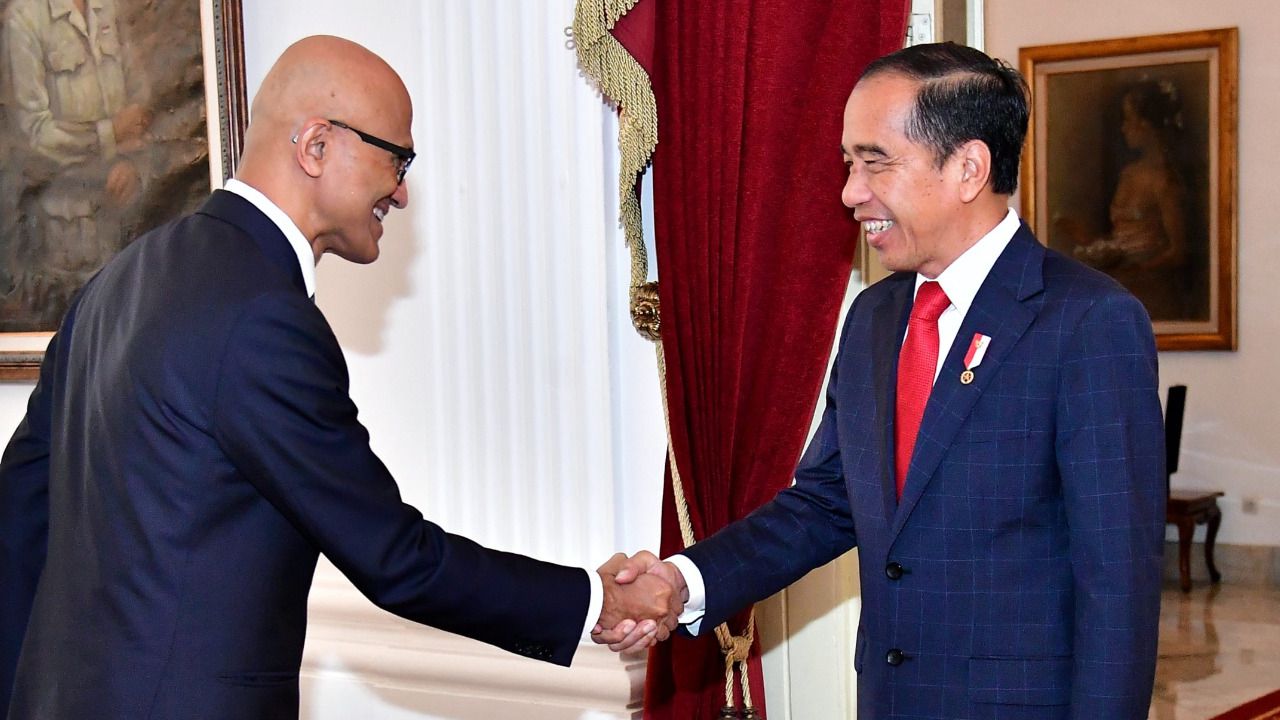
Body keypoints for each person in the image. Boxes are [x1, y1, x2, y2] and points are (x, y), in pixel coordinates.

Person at [0, 35, 680, 720]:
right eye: (399, 157)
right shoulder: (263, 315)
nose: (403, 191)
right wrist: (597, 599)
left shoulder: (116, 281)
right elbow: (396, 558)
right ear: (316, 145)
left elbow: (21, 517)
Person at [600, 42, 1166, 719]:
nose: (850, 192)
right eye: (848, 163)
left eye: (876, 162)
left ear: (968, 167)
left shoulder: (1088, 322)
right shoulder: (875, 316)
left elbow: (1120, 586)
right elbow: (824, 503)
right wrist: (680, 582)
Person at [1, 0, 153, 328]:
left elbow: (142, 108)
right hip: (59, 250)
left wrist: (132, 164)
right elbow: (32, 136)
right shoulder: (24, 19)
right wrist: (109, 135)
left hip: (121, 238)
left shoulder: (108, 9)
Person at [1057, 79, 1191, 320]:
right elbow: (1123, 239)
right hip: (1122, 293)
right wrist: (1089, 242)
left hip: (1154, 295)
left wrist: (1135, 269)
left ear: (1148, 125)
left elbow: (1178, 251)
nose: (1124, 128)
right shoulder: (1129, 174)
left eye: (1129, 120)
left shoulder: (1165, 181)